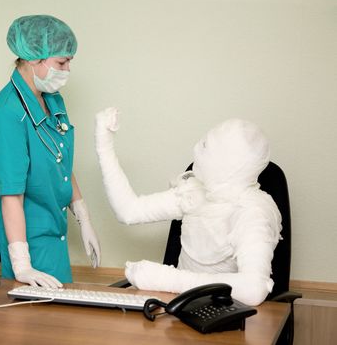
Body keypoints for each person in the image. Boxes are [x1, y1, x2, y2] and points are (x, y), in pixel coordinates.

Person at [95, 108, 281, 306]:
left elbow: (254, 289)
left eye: (208, 147)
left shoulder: (253, 212)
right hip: (177, 309)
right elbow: (129, 211)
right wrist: (104, 143)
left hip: (225, 317)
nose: (197, 151)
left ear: (230, 163)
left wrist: (165, 279)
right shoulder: (196, 192)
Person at [0, 15, 100, 288]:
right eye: (62, 62)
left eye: (70, 61)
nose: (68, 70)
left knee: (59, 320)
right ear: (35, 59)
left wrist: (83, 217)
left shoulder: (51, 97)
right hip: (23, 236)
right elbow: (10, 194)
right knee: (32, 325)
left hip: (52, 230)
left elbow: (61, 162)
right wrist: (22, 265)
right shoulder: (7, 114)